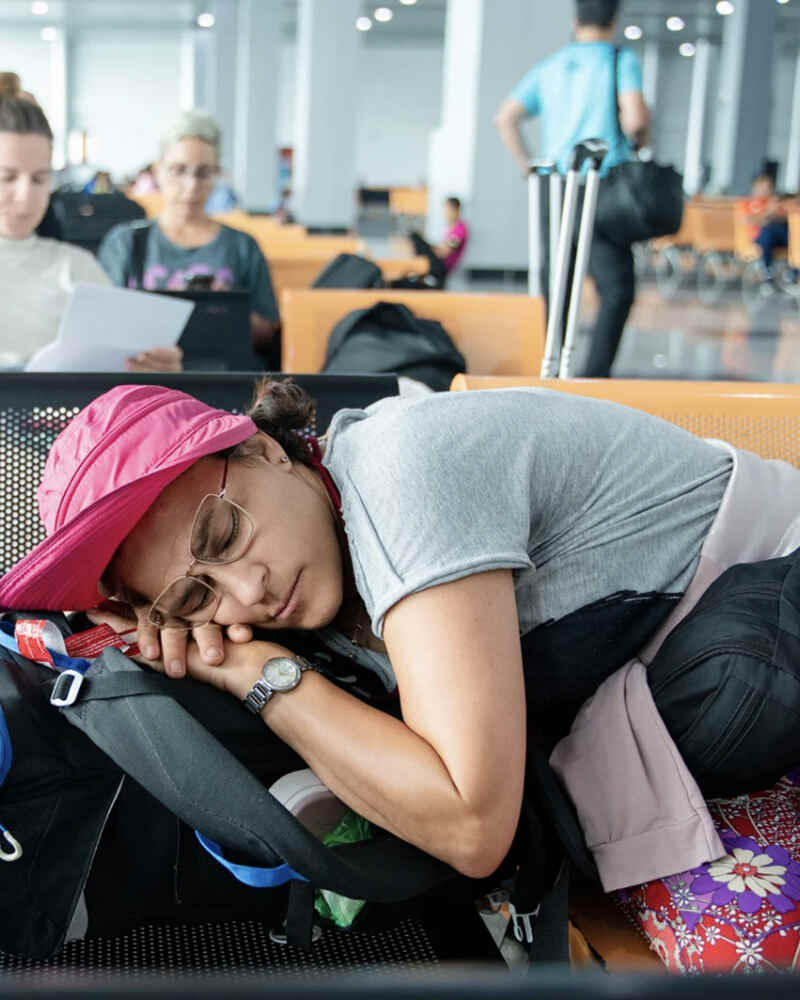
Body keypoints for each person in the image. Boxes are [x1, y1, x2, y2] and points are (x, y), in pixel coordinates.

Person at [2, 379, 800, 890]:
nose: (248, 591)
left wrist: (257, 674)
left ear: (262, 449)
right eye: (195, 593)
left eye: (224, 533)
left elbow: (471, 826)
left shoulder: (402, 472)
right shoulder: (325, 553)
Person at [495, 0, 650, 377]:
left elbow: (506, 118)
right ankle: (595, 376)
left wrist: (529, 167)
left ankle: (550, 369)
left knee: (557, 284)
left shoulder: (552, 65)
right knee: (616, 288)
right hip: (601, 186)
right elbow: (635, 120)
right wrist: (640, 140)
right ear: (615, 19)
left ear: (575, 19)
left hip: (556, 186)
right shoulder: (619, 60)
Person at [0, 96, 181, 371]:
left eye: (39, 179)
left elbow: (123, 368)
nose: (25, 196)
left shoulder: (77, 268)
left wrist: (157, 370)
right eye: (7, 177)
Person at [98, 111, 281, 367]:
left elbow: (267, 334)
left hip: (222, 377)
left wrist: (228, 311)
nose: (191, 185)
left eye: (203, 173)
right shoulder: (125, 243)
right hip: (146, 375)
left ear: (216, 174)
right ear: (158, 171)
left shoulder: (242, 247)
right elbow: (101, 325)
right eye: (178, 170)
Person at [737, 171, 793, 277]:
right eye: (762, 186)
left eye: (769, 187)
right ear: (754, 187)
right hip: (757, 238)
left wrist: (775, 211)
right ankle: (767, 270)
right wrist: (768, 212)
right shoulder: (746, 203)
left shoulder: (774, 202)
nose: (766, 190)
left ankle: (793, 272)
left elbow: (786, 219)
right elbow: (749, 221)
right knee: (767, 231)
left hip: (779, 237)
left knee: (793, 235)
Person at [404, 197, 469, 288]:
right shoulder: (452, 229)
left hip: (441, 266)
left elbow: (443, 253)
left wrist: (427, 249)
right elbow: (441, 248)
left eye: (447, 210)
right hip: (438, 263)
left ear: (455, 210)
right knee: (416, 239)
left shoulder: (459, 230)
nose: (445, 214)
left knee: (415, 237)